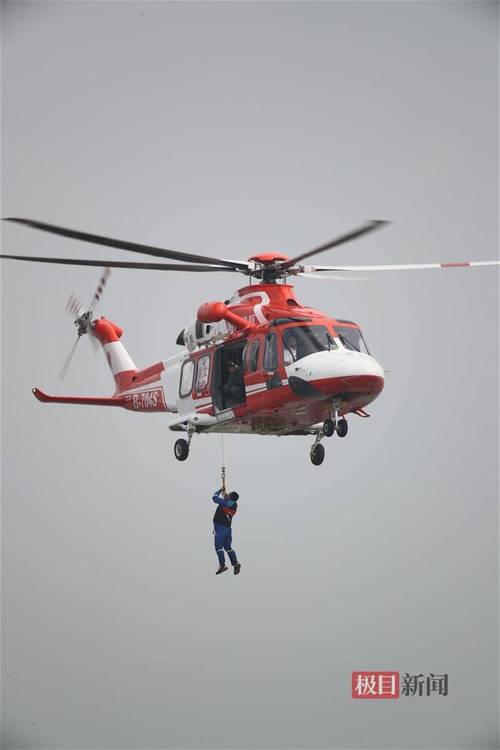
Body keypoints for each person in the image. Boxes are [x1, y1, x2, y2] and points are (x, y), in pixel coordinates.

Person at [212, 487, 241, 575]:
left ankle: (222, 565)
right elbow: (227, 501)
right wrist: (226, 496)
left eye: (229, 494)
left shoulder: (225, 503)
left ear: (230, 497)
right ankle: (235, 563)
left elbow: (214, 497)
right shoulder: (234, 505)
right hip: (228, 530)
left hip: (220, 528)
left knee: (218, 547)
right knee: (228, 548)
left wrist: (220, 490)